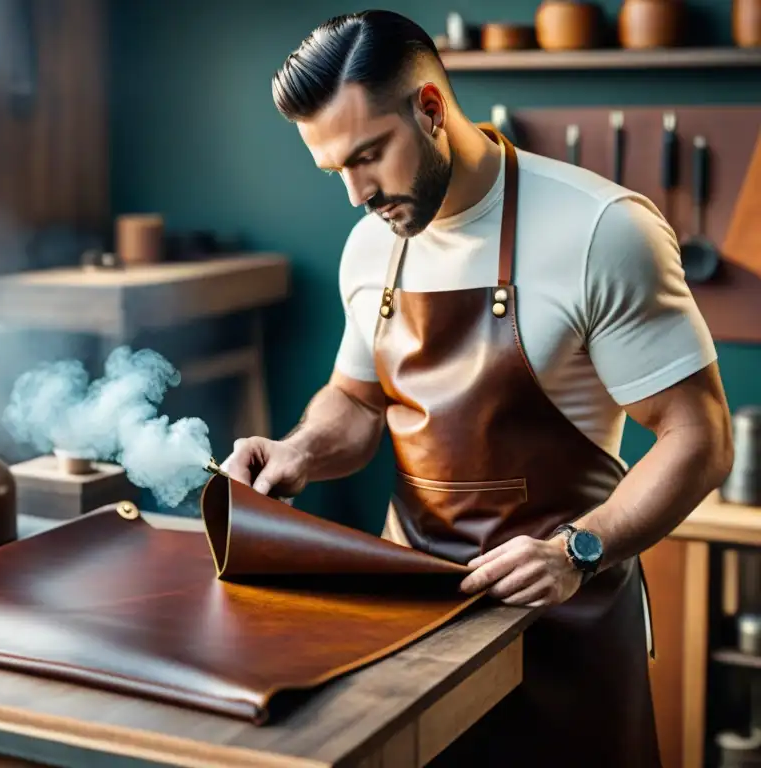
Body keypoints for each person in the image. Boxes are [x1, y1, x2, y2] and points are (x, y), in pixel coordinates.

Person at [220, 9, 734, 768]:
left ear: (429, 108)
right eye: (336, 171)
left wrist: (577, 550)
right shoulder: (372, 244)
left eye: (370, 155)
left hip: (566, 625)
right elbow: (359, 401)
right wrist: (297, 451)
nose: (356, 193)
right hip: (419, 628)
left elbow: (702, 437)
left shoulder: (602, 229)